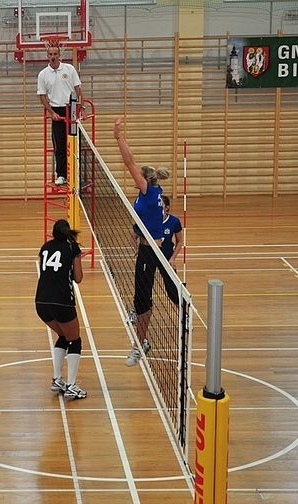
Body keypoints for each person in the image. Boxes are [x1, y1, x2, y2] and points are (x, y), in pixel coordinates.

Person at [114, 117, 170, 367]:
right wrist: (135, 231)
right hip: (147, 249)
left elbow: (129, 162)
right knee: (140, 297)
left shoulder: (148, 191)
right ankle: (139, 319)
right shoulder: (151, 194)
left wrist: (119, 137)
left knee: (144, 300)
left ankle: (140, 345)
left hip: (151, 253)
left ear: (145, 179)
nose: (135, 176)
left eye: (138, 176)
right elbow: (145, 217)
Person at [35, 219, 87, 399]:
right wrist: (76, 259)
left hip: (41, 303)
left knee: (64, 337)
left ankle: (57, 379)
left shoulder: (45, 247)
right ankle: (71, 385)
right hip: (62, 302)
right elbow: (78, 278)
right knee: (75, 340)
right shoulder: (72, 248)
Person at [37, 44, 82, 186]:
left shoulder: (70, 69)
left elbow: (78, 89)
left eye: (55, 54)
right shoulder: (43, 74)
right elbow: (42, 96)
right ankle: (62, 175)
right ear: (47, 56)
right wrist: (51, 112)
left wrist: (81, 107)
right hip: (57, 112)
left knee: (75, 144)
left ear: (59, 55)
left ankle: (76, 174)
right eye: (50, 54)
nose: (53, 56)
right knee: (59, 146)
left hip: (72, 110)